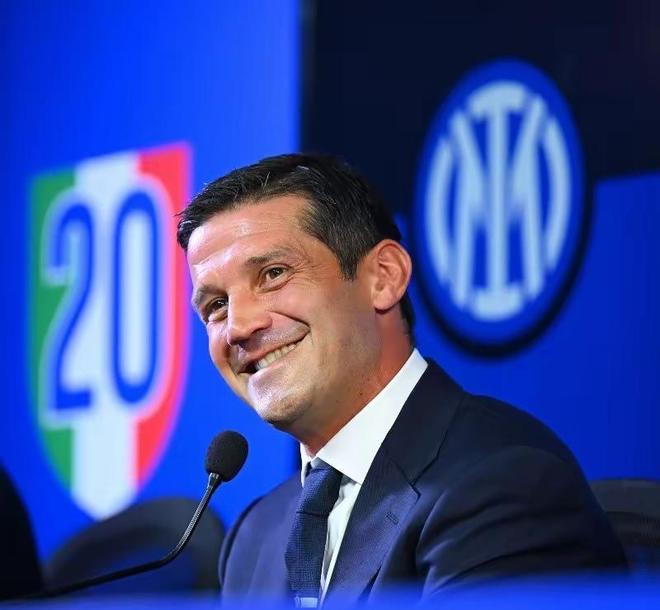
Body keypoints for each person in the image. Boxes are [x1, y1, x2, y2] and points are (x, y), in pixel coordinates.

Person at [177, 153, 626, 605]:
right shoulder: (253, 539)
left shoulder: (505, 484)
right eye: (216, 306)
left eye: (273, 274)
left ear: (384, 278)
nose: (238, 327)